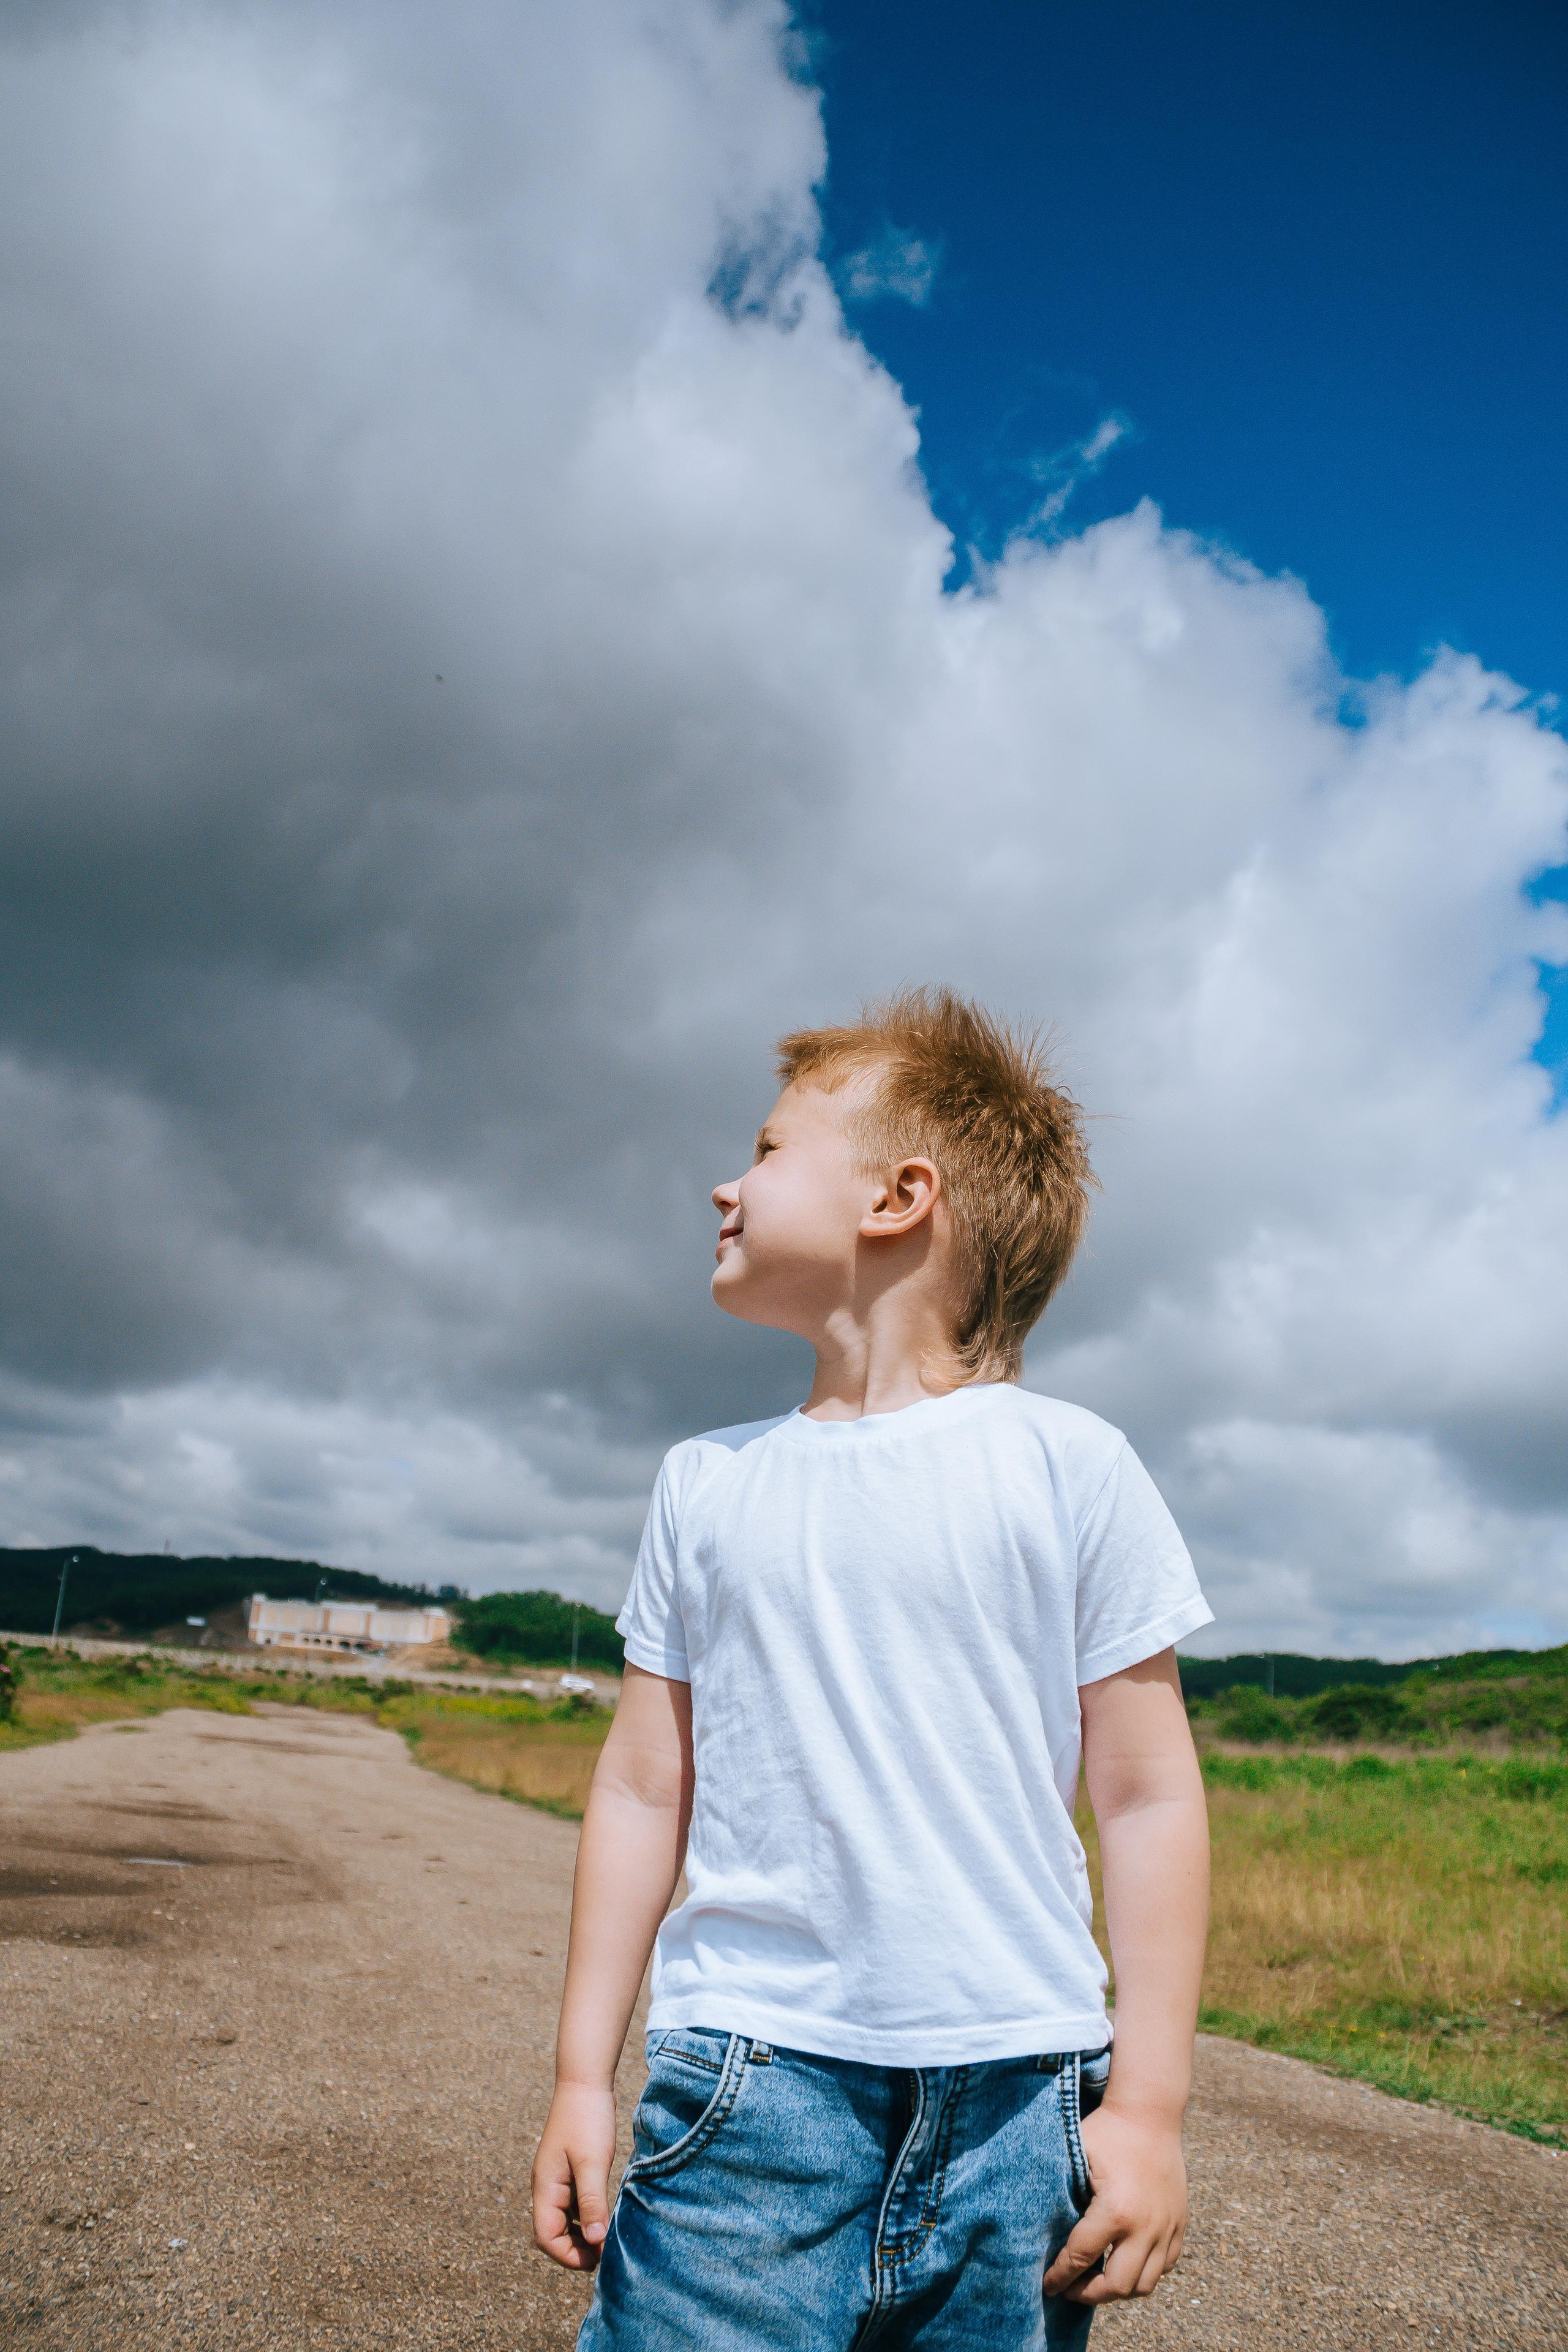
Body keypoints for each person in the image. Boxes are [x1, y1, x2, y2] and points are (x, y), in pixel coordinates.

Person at [532, 989, 1212, 2350]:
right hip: (743, 2085)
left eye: (770, 1149)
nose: (725, 1182)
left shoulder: (1069, 1464)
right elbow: (640, 1787)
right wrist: (580, 2077)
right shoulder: (704, 1482)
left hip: (1018, 2106)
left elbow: (1145, 1796)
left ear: (898, 1198)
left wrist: (1143, 2110)